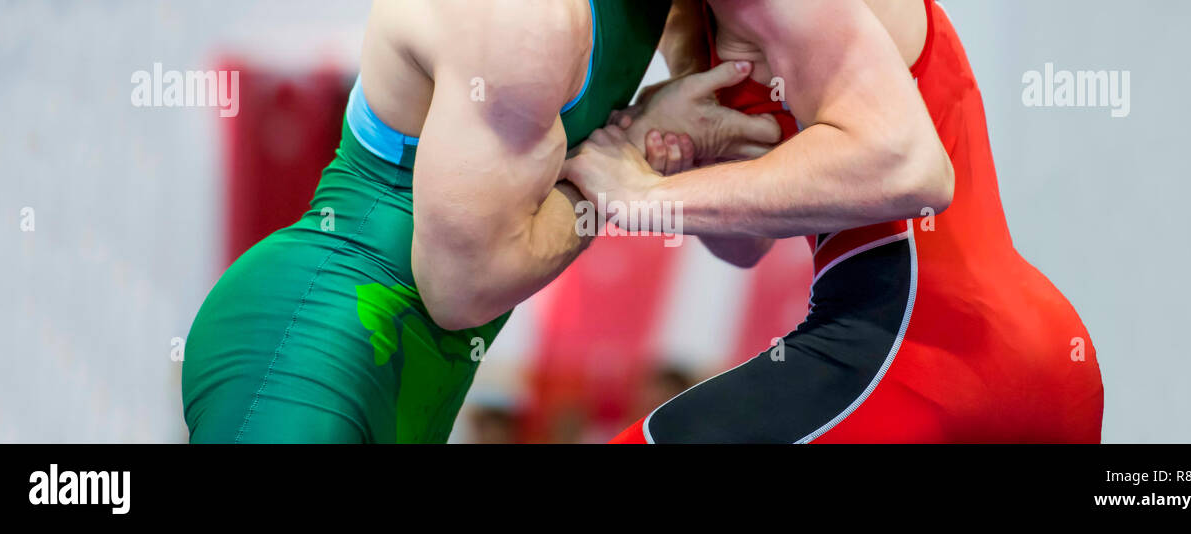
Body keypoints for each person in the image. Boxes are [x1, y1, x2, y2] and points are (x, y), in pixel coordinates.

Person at [181, 0, 777, 443]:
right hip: (317, 338)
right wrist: (639, 150)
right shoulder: (523, 19)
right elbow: (461, 289)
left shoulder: (671, 12)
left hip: (421, 373)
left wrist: (691, 138)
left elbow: (746, 241)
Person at [564, 0, 1105, 443]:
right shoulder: (693, 22)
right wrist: (692, 157)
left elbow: (914, 170)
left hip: (920, 349)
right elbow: (746, 246)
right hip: (1009, 352)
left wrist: (647, 196)